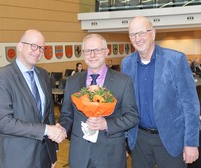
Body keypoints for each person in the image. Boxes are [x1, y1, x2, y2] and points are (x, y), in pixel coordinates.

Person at [121, 16, 200, 168]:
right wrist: (124, 139)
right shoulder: (127, 63)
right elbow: (126, 104)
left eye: (142, 33)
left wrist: (191, 142)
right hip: (139, 139)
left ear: (153, 34)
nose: (137, 38)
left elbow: (190, 105)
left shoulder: (176, 60)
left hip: (171, 139)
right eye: (133, 34)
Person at [58, 34, 139, 168]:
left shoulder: (123, 81)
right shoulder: (72, 81)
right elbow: (66, 115)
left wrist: (106, 124)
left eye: (97, 50)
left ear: (106, 52)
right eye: (88, 51)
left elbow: (132, 117)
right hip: (80, 154)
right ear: (83, 54)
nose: (92, 54)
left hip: (110, 154)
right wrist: (61, 128)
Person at [0, 29, 67, 168]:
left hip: (44, 155)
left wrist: (52, 150)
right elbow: (5, 123)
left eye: (42, 48)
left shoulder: (43, 74)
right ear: (20, 46)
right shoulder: (2, 77)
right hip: (17, 157)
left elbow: (48, 114)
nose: (38, 52)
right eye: (33, 46)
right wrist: (46, 130)